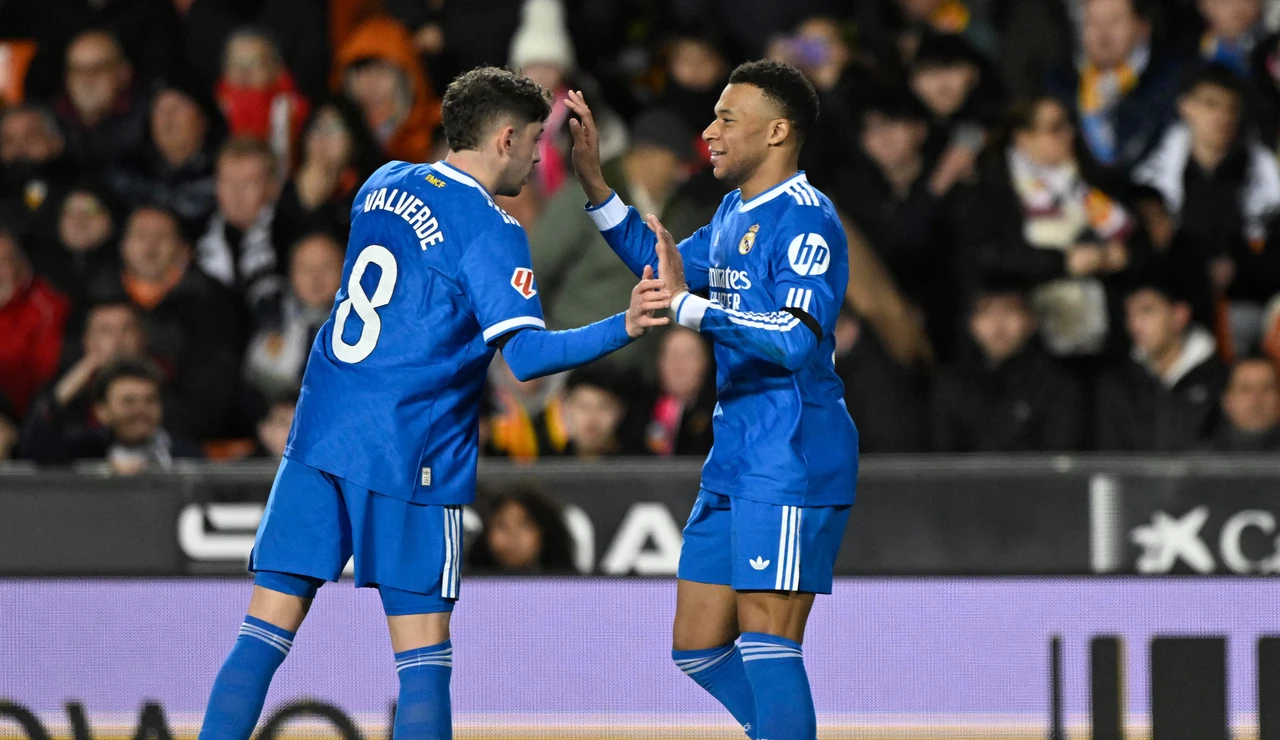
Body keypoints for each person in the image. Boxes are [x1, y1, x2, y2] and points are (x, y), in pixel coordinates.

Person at [196, 66, 670, 740]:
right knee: (422, 664)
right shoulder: (492, 230)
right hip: (409, 453)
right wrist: (621, 326)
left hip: (321, 435)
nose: (538, 160)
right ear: (505, 138)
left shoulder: (381, 184)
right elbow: (527, 359)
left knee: (261, 639)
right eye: (535, 143)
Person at [567, 60, 856, 740]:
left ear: (779, 131)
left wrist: (691, 311)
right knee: (696, 646)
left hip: (793, 453)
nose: (709, 132)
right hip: (737, 454)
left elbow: (794, 339)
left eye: (727, 118)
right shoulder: (732, 213)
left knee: (767, 643)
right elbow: (657, 259)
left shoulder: (809, 222)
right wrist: (595, 184)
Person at [530, 108, 713, 374]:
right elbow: (537, 268)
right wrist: (536, 342)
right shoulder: (582, 198)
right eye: (676, 162)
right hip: (574, 364)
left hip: (638, 375)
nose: (683, 174)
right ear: (646, 156)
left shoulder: (682, 214)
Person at [1133, 63, 1280, 356]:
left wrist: (1237, 269)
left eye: (1230, 108)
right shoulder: (1152, 178)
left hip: (1246, 304)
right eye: (1210, 104)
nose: (1221, 117)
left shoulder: (1263, 177)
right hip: (1176, 305)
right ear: (1185, 106)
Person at [1048, 0, 1185, 192]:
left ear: (1142, 28)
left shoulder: (1173, 81)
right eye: (1093, 22)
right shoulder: (1059, 83)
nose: (1102, 34)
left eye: (1115, 21)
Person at [932, 280, 1085, 451]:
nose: (998, 325)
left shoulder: (1058, 384)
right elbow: (944, 458)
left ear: (1031, 320)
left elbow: (1062, 458)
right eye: (986, 311)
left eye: (1009, 310)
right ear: (971, 323)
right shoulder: (952, 384)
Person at [1095, 267, 1229, 450]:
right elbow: (1108, 459)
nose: (1134, 325)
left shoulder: (1220, 379)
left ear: (1179, 316)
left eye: (1147, 311)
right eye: (1130, 314)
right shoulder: (1117, 383)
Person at [20, 357, 201, 473]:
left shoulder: (183, 453)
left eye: (150, 400)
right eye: (128, 402)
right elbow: (35, 447)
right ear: (102, 411)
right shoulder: (87, 449)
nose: (141, 410)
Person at [195, 137, 285, 330]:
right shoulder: (195, 236)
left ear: (272, 188)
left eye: (248, 184)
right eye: (228, 183)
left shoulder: (288, 236)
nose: (236, 194)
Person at [0, 228, 71, 420]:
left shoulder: (48, 307)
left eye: (2, 263)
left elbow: (43, 377)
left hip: (25, 418)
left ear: (21, 265)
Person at [54, 29, 149, 171]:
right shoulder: (50, 124)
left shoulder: (150, 122)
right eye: (77, 70)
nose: (86, 79)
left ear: (124, 73)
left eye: (98, 68)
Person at [466, 485, 576, 573]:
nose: (512, 536)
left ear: (544, 532)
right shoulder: (466, 590)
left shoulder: (569, 589)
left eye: (525, 525)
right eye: (501, 525)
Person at [646, 326, 716, 456]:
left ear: (706, 363)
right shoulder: (641, 411)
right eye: (670, 355)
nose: (678, 364)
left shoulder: (721, 416)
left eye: (688, 355)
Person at [1205, 355, 1280, 450]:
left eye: (1266, 388)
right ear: (1227, 400)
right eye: (1245, 389)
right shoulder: (1198, 458)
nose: (1256, 400)